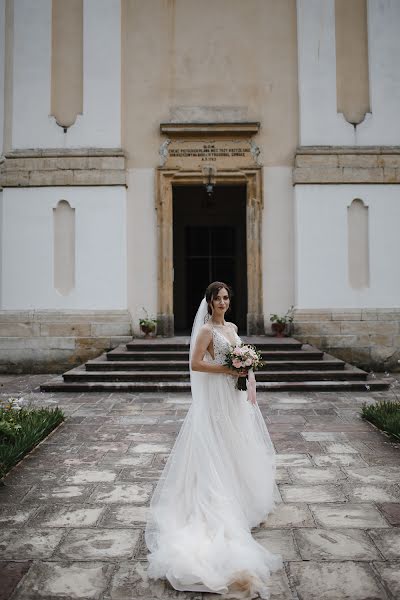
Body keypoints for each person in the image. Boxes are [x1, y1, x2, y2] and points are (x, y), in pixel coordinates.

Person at [145, 281, 282, 599]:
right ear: (208, 302)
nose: (222, 302)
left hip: (232, 399)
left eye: (226, 298)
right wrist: (227, 369)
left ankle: (240, 494)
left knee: (237, 443)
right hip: (216, 396)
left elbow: (239, 356)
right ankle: (216, 496)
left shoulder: (232, 327)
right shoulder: (206, 330)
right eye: (217, 298)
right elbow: (195, 363)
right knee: (216, 444)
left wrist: (245, 367)